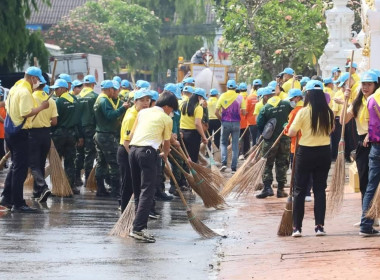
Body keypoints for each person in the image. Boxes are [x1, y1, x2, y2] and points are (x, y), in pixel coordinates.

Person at [128, 91, 178, 243]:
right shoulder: (166, 118)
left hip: (133, 150)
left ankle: (137, 225)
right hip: (148, 152)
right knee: (148, 191)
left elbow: (131, 136)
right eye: (172, 110)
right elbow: (167, 144)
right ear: (168, 106)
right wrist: (164, 154)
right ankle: (138, 229)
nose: (172, 113)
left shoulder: (143, 113)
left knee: (138, 189)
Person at [288, 80, 334, 237]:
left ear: (307, 94)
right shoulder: (328, 112)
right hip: (324, 152)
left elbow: (292, 133)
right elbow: (332, 129)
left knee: (299, 190)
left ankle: (297, 228)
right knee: (320, 190)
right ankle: (319, 226)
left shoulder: (303, 112)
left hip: (306, 152)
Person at [0, 67, 49, 212]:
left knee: (16, 166)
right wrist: (41, 107)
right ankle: (18, 203)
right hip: (20, 132)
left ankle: (7, 198)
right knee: (20, 169)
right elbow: (26, 112)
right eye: (38, 79)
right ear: (33, 78)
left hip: (11, 131)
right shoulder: (25, 92)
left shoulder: (16, 86)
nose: (38, 82)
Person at [340, 72, 379, 225]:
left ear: (376, 85)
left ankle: (374, 216)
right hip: (363, 144)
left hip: (376, 140)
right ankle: (368, 216)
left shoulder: (376, 100)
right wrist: (345, 100)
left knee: (375, 182)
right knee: (364, 181)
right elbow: (343, 120)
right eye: (363, 84)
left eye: (369, 84)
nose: (365, 87)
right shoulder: (357, 103)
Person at [93, 80, 128, 198]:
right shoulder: (104, 100)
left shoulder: (99, 99)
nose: (114, 91)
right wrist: (122, 108)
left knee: (101, 162)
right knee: (114, 163)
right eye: (113, 89)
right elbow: (110, 116)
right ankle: (115, 190)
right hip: (106, 135)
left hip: (100, 134)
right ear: (109, 89)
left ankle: (100, 189)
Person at [118, 89, 151, 212]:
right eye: (142, 100)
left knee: (133, 185)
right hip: (127, 152)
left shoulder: (140, 113)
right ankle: (124, 211)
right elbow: (127, 143)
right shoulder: (132, 116)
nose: (145, 103)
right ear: (135, 102)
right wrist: (135, 160)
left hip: (133, 152)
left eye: (147, 100)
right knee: (127, 185)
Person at [256, 86, 292, 198]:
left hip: (270, 141)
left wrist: (265, 134)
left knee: (267, 164)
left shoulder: (265, 108)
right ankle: (281, 190)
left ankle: (267, 188)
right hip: (285, 140)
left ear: (266, 96)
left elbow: (259, 124)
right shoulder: (286, 105)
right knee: (282, 163)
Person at [51, 78, 83, 194]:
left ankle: (57, 187)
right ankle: (71, 186)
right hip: (72, 134)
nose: (55, 91)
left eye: (57, 89)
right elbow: (79, 120)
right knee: (70, 161)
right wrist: (80, 136)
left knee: (56, 161)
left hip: (59, 134)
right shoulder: (75, 100)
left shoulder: (58, 102)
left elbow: (55, 120)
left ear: (64, 89)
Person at [29, 83, 58, 203]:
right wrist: (45, 121)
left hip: (33, 133)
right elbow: (54, 122)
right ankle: (37, 192)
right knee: (40, 163)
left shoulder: (30, 98)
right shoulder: (51, 100)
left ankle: (43, 186)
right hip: (46, 134)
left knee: (33, 163)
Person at [360, 73, 380, 236]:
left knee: (371, 187)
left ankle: (365, 226)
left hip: (375, 147)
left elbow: (368, 122)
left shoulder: (371, 100)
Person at [215, 80, 246, 173]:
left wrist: (222, 119)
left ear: (227, 87)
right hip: (236, 123)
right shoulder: (240, 97)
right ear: (235, 87)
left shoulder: (222, 96)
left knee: (224, 143)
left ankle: (224, 163)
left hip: (225, 123)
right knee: (235, 145)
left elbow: (216, 112)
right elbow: (244, 112)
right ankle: (233, 167)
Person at [74, 75, 98, 187]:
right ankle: (88, 179)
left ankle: (77, 177)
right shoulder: (95, 96)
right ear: (93, 85)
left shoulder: (76, 97)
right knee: (89, 153)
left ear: (84, 84)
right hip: (90, 128)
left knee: (79, 153)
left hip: (78, 128)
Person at [180, 86, 208, 162]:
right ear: (199, 97)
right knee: (193, 158)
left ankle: (185, 173)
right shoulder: (198, 108)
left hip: (182, 133)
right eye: (203, 98)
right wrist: (204, 136)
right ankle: (192, 173)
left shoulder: (184, 104)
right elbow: (197, 124)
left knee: (185, 158)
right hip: (193, 135)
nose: (204, 100)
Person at [238, 83, 250, 159]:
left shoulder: (238, 97)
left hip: (238, 121)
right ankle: (246, 153)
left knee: (239, 138)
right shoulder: (248, 97)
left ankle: (240, 153)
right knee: (247, 138)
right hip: (247, 121)